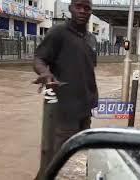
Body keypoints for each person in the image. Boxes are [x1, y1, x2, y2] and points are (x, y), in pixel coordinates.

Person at [33, 0, 98, 179]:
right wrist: (46, 74)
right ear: (70, 8)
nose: (83, 11)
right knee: (55, 161)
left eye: (87, 8)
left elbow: (87, 70)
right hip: (63, 111)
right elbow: (39, 58)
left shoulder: (91, 39)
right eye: (78, 6)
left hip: (85, 111)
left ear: (91, 12)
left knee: (78, 158)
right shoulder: (58, 33)